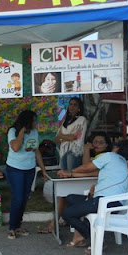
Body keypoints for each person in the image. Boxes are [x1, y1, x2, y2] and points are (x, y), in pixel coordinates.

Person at [58, 139, 128, 249]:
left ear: (117, 148)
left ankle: (95, 238)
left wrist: (70, 172)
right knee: (71, 198)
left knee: (67, 214)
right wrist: (71, 174)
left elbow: (86, 168)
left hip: (105, 202)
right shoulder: (122, 162)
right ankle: (79, 235)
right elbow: (95, 173)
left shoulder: (110, 156)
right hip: (114, 203)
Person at [38, 97, 88, 234]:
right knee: (63, 184)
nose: (72, 107)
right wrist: (66, 137)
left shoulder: (82, 120)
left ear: (79, 107)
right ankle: (65, 216)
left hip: (74, 152)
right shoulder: (66, 120)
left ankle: (67, 217)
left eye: (75, 105)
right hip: (64, 152)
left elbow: (75, 138)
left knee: (70, 185)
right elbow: (57, 138)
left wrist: (63, 137)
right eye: (70, 104)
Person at [6, 110, 48, 240]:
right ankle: (12, 228)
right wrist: (22, 132)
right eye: (34, 120)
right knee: (18, 198)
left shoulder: (34, 132)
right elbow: (15, 148)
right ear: (27, 121)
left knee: (24, 198)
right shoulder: (13, 131)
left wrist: (43, 170)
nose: (36, 123)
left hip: (29, 169)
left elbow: (37, 152)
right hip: (15, 169)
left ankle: (18, 225)